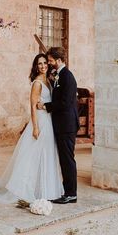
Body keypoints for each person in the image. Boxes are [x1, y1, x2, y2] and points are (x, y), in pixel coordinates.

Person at [0, 54, 64, 203]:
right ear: (36, 66)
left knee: (46, 154)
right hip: (40, 121)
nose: (43, 66)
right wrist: (35, 127)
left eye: (45, 63)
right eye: (39, 64)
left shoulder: (49, 80)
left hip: (49, 121)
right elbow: (33, 107)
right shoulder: (37, 83)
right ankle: (22, 188)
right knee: (31, 156)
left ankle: (43, 188)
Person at [38, 46, 79, 204]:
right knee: (63, 159)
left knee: (67, 159)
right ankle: (68, 190)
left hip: (67, 125)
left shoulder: (67, 77)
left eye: (51, 61)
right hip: (61, 124)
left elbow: (65, 102)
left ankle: (71, 194)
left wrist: (46, 106)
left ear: (59, 60)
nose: (49, 63)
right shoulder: (59, 75)